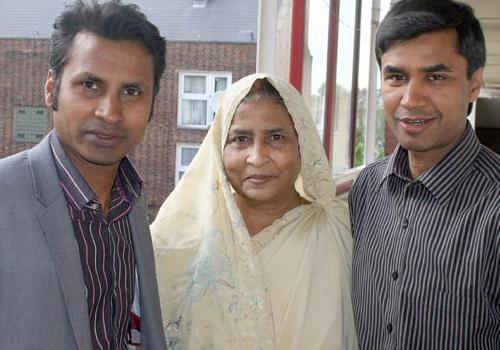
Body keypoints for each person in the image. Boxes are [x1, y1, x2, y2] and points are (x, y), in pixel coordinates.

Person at [0, 1, 167, 349]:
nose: (110, 112)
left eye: (131, 92)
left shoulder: (131, 203)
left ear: (152, 106)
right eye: (90, 85)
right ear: (51, 88)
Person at [151, 73, 357, 349]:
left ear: (301, 145)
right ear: (219, 149)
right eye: (240, 139)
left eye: (275, 137)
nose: (257, 157)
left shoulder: (340, 232)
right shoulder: (181, 241)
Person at [349, 0, 500, 348]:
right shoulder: (367, 190)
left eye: (435, 77)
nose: (410, 99)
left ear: (474, 84)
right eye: (396, 77)